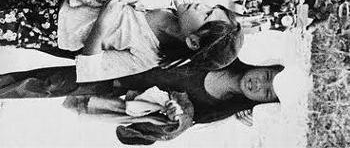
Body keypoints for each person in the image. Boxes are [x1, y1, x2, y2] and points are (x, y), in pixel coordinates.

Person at [0, 0, 243, 80]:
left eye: (206, 15)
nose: (201, 6)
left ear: (193, 41)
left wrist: (102, 24)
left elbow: (90, 70)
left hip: (49, 27)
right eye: (210, 7)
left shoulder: (149, 56)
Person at [0, 59, 285, 144]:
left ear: (263, 102)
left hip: (116, 84)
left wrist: (177, 113)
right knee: (46, 51)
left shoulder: (217, 109)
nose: (258, 84)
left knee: (48, 83)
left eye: (266, 92)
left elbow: (181, 124)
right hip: (122, 53)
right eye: (267, 76)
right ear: (264, 65)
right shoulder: (224, 54)